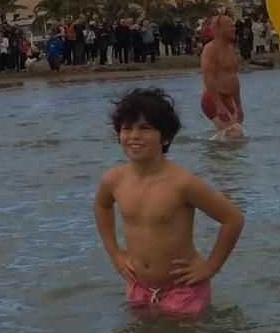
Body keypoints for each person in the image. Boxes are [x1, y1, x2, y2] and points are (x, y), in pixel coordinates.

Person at [93, 87, 244, 319]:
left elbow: (233, 219)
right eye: (127, 128)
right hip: (139, 286)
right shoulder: (114, 180)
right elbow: (102, 206)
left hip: (184, 288)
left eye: (145, 128)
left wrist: (211, 266)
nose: (134, 135)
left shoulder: (182, 183)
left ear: (165, 136)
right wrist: (115, 254)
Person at [198, 14, 246, 139]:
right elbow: (208, 78)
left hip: (228, 98)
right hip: (213, 99)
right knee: (234, 135)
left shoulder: (230, 49)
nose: (234, 29)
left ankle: (216, 151)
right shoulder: (211, 49)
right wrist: (218, 105)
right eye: (231, 26)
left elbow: (233, 78)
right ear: (219, 29)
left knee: (235, 137)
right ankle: (214, 155)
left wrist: (239, 106)